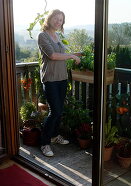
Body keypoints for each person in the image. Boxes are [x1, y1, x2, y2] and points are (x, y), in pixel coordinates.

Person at [38, 9, 80, 157]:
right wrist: (71, 56)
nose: (58, 21)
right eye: (56, 18)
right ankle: (44, 143)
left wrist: (75, 56)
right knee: (54, 111)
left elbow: (62, 55)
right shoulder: (42, 36)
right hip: (50, 79)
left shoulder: (57, 36)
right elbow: (53, 55)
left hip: (62, 79)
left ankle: (55, 136)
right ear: (49, 19)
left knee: (59, 110)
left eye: (61, 20)